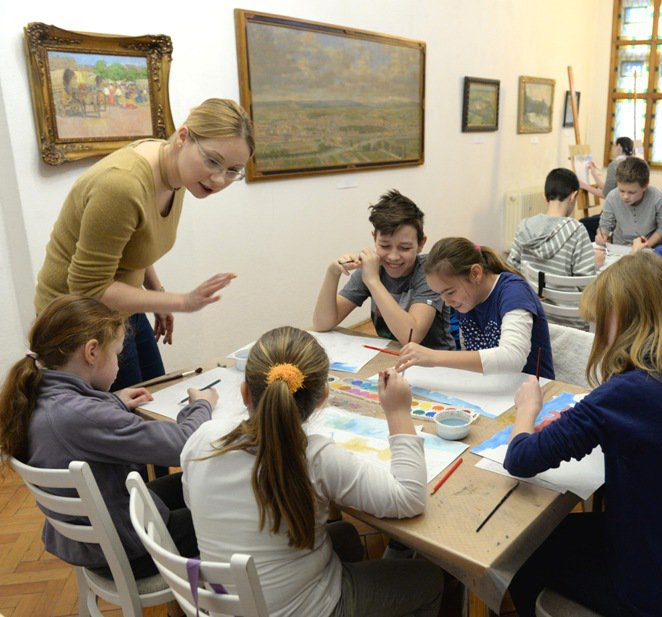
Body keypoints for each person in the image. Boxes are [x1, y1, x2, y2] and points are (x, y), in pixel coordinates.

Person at [503, 251, 662, 616]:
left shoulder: (627, 393)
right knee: (556, 535)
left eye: (601, 320)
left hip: (657, 587)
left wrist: (527, 410)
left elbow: (520, 458)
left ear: (623, 318)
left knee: (517, 553)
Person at [181, 326, 442, 617]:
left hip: (225, 605)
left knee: (345, 535)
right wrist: (398, 412)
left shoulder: (204, 438)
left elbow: (193, 503)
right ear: (322, 398)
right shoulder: (315, 457)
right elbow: (409, 499)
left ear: (244, 393)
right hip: (304, 609)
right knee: (429, 580)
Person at [34, 98, 255, 390]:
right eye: (213, 161)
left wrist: (156, 291)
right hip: (75, 324)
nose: (218, 179)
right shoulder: (122, 185)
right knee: (131, 410)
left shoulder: (179, 171)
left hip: (119, 307)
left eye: (232, 170)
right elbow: (88, 288)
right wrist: (182, 301)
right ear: (184, 137)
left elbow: (135, 243)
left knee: (157, 393)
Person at [0, 295, 215, 580]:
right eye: (116, 354)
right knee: (232, 509)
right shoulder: (83, 416)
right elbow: (183, 445)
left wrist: (114, 401)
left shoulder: (36, 394)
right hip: (132, 553)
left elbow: (81, 421)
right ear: (92, 352)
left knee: (200, 483)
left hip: (97, 538)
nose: (118, 365)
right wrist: (202, 404)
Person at [394, 238, 554, 379]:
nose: (447, 302)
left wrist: (434, 357)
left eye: (450, 292)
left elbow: (513, 358)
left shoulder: (514, 292)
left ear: (476, 274)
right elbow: (473, 355)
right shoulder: (467, 298)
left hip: (534, 388)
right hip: (492, 385)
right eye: (440, 294)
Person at [313, 189, 453, 350]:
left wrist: (373, 281)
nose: (393, 257)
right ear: (374, 238)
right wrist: (332, 273)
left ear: (421, 243)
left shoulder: (430, 271)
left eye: (405, 248)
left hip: (435, 358)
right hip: (391, 354)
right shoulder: (372, 268)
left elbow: (410, 337)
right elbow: (322, 324)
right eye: (385, 246)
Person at [508, 168, 597, 278]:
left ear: (545, 196)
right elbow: (584, 280)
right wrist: (595, 264)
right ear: (573, 196)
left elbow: (511, 268)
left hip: (528, 289)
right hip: (564, 290)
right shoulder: (577, 231)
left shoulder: (524, 226)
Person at [595, 157, 662, 248]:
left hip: (651, 246)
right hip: (620, 247)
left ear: (645, 186)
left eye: (631, 192)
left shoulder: (659, 199)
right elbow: (605, 224)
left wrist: (645, 246)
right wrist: (602, 235)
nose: (625, 196)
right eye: (621, 190)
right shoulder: (612, 197)